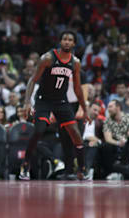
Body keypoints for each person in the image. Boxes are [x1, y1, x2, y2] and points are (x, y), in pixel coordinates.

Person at [19, 31, 90, 180]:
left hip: (61, 101)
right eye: (64, 39)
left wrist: (84, 108)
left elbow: (77, 88)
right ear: (60, 41)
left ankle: (82, 169)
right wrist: (26, 102)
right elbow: (33, 80)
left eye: (70, 40)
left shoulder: (75, 62)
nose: (66, 42)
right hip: (44, 100)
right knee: (39, 130)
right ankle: (25, 165)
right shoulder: (48, 58)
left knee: (76, 134)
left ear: (74, 44)